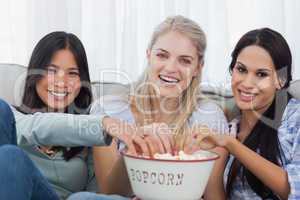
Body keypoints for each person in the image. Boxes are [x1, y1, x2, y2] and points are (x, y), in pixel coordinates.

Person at [68, 15, 229, 200]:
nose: (170, 68)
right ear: (148, 55)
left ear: (198, 67)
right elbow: (110, 193)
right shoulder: (109, 110)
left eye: (185, 61)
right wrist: (135, 145)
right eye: (162, 55)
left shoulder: (209, 117)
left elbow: (214, 196)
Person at [0, 32, 155, 200]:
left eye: (72, 73)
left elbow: (102, 193)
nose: (61, 81)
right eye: (52, 70)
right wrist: (103, 124)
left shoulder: (95, 129)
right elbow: (33, 127)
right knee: (10, 153)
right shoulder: (11, 117)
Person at [194, 28, 300, 200]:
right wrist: (216, 156)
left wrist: (232, 145)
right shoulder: (229, 129)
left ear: (280, 80)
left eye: (261, 74)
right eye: (241, 70)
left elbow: (294, 190)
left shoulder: (294, 118)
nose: (247, 83)